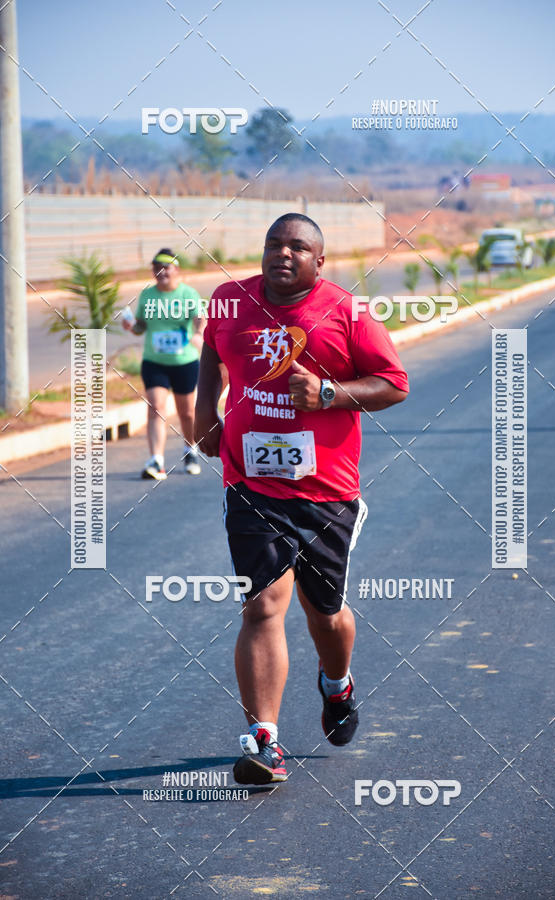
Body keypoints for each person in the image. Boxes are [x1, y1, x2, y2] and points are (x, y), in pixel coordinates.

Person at [194, 214, 409, 785]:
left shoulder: (348, 312)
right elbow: (211, 356)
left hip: (326, 491)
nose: (282, 254)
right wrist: (202, 415)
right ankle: (264, 742)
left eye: (297, 247)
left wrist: (329, 392)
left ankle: (336, 683)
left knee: (326, 613)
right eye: (273, 244)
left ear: (320, 260)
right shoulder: (228, 301)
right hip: (250, 483)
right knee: (262, 606)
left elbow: (393, 382)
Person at [122, 248, 205, 479]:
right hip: (154, 361)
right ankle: (156, 460)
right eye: (156, 267)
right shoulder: (148, 295)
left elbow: (200, 318)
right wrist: (132, 326)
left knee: (187, 412)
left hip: (184, 361)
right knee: (157, 406)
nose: (160, 272)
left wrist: (198, 333)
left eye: (165, 267)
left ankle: (191, 449)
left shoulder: (188, 294)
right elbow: (141, 327)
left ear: (176, 270)